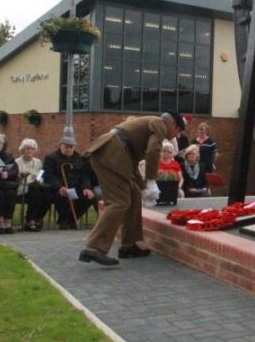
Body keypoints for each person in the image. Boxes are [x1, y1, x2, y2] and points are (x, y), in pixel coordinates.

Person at [77, 112, 184, 266]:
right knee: (118, 202)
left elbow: (132, 161)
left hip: (113, 154)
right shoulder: (160, 124)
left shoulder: (146, 127)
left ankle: (129, 245)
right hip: (111, 155)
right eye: (178, 131)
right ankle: (94, 248)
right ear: (173, 124)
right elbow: (153, 151)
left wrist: (143, 188)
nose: (177, 136)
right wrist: (152, 181)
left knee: (134, 195)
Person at [42, 136, 94, 230]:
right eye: (66, 147)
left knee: (87, 197)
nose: (69, 149)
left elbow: (85, 175)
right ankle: (63, 220)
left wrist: (86, 187)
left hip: (76, 187)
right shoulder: (51, 158)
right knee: (61, 196)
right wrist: (59, 187)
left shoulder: (79, 159)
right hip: (59, 187)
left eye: (71, 147)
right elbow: (49, 175)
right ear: (61, 146)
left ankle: (72, 219)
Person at [14, 138, 47, 232]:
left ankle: (33, 219)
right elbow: (15, 179)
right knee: (36, 191)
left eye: (32, 149)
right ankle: (32, 220)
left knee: (42, 193)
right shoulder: (17, 162)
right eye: (27, 148)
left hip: (35, 188)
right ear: (23, 150)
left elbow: (41, 175)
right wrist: (21, 175)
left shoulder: (38, 162)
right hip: (22, 187)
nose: (30, 151)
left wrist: (39, 180)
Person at [155, 140, 182, 205]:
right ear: (160, 152)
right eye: (164, 151)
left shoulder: (176, 164)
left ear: (172, 153)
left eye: (169, 152)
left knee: (180, 193)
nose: (166, 153)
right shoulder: (155, 163)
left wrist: (179, 186)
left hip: (173, 188)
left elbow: (181, 178)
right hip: (158, 188)